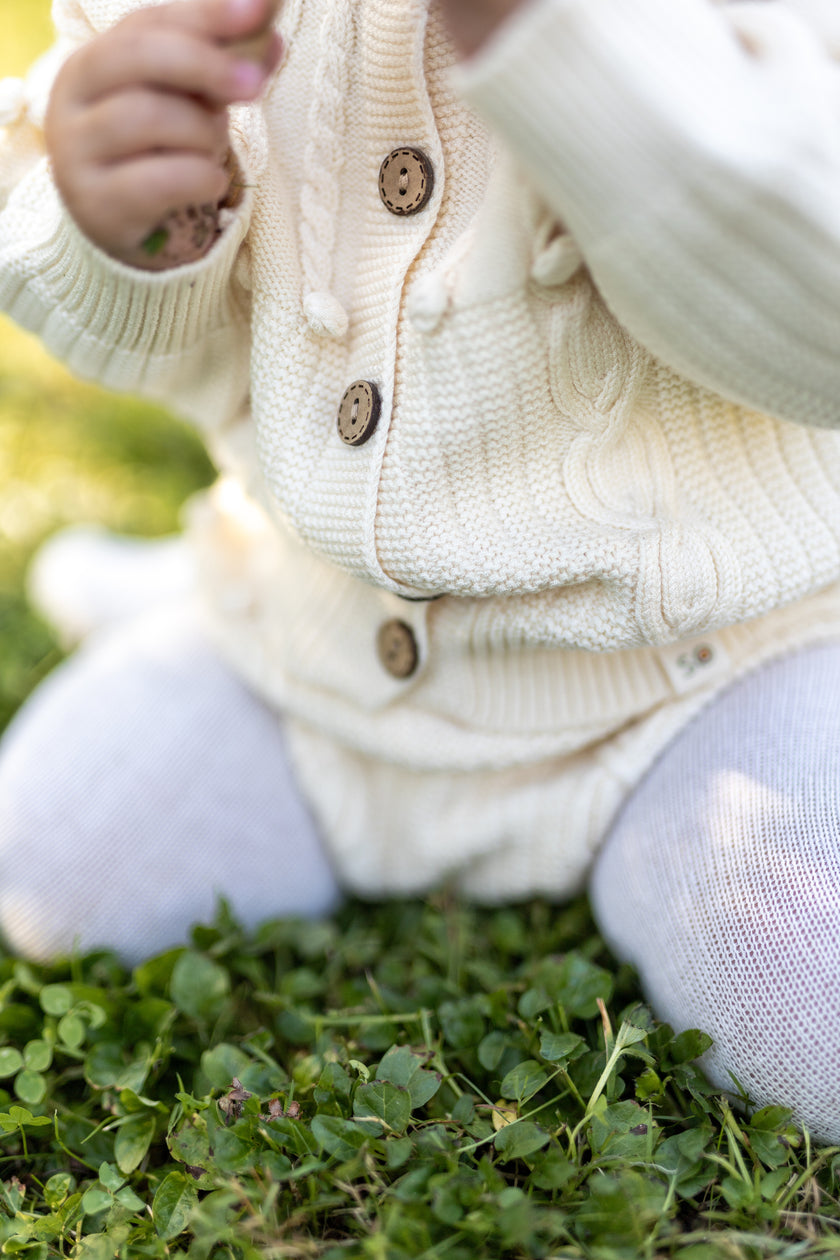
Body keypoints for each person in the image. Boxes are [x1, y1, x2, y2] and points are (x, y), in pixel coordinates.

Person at [3, 0, 840, 1141]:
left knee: (818, 1018)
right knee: (54, 874)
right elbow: (180, 343)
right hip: (312, 637)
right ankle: (188, 589)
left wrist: (551, 43)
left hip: (709, 663)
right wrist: (116, 226)